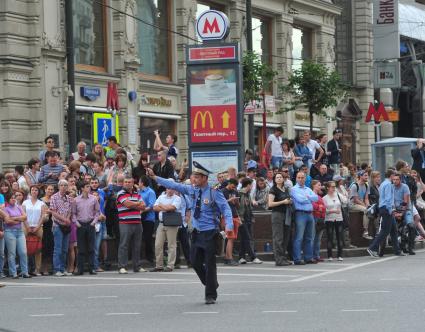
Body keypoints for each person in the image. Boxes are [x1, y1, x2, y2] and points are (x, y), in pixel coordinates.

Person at [146, 161, 233, 305]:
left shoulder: (214, 192)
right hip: (196, 233)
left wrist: (229, 226)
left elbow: (226, 209)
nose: (194, 179)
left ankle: (210, 294)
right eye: (194, 176)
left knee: (210, 264)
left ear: (204, 178)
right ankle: (210, 282)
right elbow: (174, 185)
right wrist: (155, 177)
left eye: (197, 177)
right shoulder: (192, 190)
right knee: (194, 261)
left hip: (210, 232)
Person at [367, 169, 403, 258]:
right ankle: (372, 248)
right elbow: (388, 199)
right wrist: (391, 210)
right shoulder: (388, 185)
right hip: (386, 209)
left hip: (384, 208)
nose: (395, 178)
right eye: (394, 175)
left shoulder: (383, 184)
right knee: (385, 231)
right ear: (391, 176)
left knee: (394, 230)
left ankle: (397, 250)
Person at [116, 176, 146, 274]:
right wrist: (137, 204)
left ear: (133, 183)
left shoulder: (137, 193)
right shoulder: (120, 193)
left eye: (129, 182)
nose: (127, 183)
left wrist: (133, 204)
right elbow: (128, 205)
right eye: (126, 182)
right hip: (125, 223)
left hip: (137, 222)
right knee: (124, 245)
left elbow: (144, 206)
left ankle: (137, 266)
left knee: (137, 245)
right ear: (123, 183)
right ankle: (122, 266)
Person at [151, 185, 181, 272]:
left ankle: (170, 265)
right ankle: (159, 265)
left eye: (172, 188)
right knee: (158, 245)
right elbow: (154, 207)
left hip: (172, 224)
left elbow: (172, 208)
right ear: (166, 189)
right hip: (161, 223)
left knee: (171, 245)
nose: (170, 190)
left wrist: (161, 205)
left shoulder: (177, 198)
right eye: (168, 188)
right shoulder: (161, 196)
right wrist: (166, 207)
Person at [72, 182, 100, 275]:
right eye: (87, 186)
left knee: (91, 247)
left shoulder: (94, 199)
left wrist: (93, 222)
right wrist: (76, 223)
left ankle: (92, 268)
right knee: (81, 248)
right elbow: (73, 213)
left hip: (90, 224)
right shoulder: (76, 200)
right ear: (82, 188)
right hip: (80, 224)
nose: (89, 188)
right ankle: (80, 269)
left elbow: (97, 212)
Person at [290, 171, 319, 265]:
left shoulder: (308, 188)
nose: (301, 179)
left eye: (302, 177)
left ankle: (308, 257)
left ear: (305, 178)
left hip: (310, 214)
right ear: (296, 178)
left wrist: (308, 197)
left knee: (309, 237)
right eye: (299, 177)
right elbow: (301, 200)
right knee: (299, 237)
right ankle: (297, 259)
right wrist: (309, 198)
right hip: (300, 214)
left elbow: (316, 198)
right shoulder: (293, 189)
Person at [49, 179, 73, 277]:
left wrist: (67, 219)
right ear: (58, 187)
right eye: (62, 185)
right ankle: (57, 269)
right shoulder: (54, 197)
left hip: (66, 226)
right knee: (57, 248)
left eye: (65, 185)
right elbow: (53, 211)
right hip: (57, 225)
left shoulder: (68, 198)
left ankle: (63, 269)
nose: (63, 187)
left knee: (65, 249)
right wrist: (64, 219)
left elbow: (69, 211)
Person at [3, 193, 31, 278]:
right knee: (12, 253)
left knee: (23, 252)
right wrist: (19, 218)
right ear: (7, 199)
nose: (13, 199)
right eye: (11, 198)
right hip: (9, 231)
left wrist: (14, 218)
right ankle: (13, 273)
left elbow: (25, 217)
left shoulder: (19, 207)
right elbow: (7, 221)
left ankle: (25, 272)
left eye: (14, 198)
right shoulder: (5, 209)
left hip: (20, 231)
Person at [268, 173, 292, 266]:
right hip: (277, 214)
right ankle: (279, 259)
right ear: (274, 180)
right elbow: (270, 204)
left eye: (280, 177)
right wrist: (283, 202)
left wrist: (289, 201)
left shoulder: (286, 189)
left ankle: (283, 258)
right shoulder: (273, 189)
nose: (279, 179)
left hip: (286, 214)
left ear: (283, 179)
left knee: (286, 237)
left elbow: (287, 200)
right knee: (278, 238)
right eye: (277, 177)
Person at [22, 185, 46, 276]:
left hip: (38, 227)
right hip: (26, 226)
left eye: (36, 190)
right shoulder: (25, 202)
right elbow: (23, 215)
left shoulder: (41, 203)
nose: (34, 191)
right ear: (30, 191)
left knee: (38, 249)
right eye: (32, 190)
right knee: (25, 248)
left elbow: (43, 216)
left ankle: (37, 269)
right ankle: (25, 269)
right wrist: (27, 226)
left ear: (38, 192)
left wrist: (37, 226)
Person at [237, 178, 262, 265]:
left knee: (244, 239)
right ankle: (253, 257)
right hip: (242, 219)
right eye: (251, 185)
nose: (252, 187)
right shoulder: (240, 194)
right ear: (248, 185)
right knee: (248, 238)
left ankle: (241, 257)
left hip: (248, 219)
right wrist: (239, 218)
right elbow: (238, 207)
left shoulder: (248, 194)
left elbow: (249, 207)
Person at [392, 173, 416, 255]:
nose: (395, 181)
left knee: (411, 226)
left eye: (397, 179)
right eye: (393, 179)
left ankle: (411, 248)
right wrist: (395, 212)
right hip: (395, 210)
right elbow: (391, 201)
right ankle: (398, 245)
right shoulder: (391, 187)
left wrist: (401, 213)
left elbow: (406, 201)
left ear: (400, 180)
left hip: (406, 210)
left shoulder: (405, 187)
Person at [323, 181, 344, 261]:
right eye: (332, 187)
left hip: (339, 218)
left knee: (339, 237)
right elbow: (325, 210)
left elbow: (345, 201)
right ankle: (330, 255)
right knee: (330, 237)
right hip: (329, 219)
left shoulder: (338, 195)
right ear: (328, 188)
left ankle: (340, 255)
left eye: (334, 187)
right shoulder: (324, 198)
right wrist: (333, 211)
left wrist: (343, 193)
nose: (334, 188)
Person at [221, 179, 240, 266]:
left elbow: (238, 206)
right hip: (227, 216)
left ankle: (227, 257)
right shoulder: (223, 191)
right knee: (230, 237)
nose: (233, 188)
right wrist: (229, 200)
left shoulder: (235, 191)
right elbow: (220, 204)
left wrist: (236, 201)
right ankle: (229, 258)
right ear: (229, 183)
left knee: (232, 238)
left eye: (235, 187)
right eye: (232, 186)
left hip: (235, 215)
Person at [138, 176, 156, 265]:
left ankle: (150, 257)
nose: (138, 183)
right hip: (140, 217)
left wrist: (142, 210)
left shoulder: (150, 192)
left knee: (148, 238)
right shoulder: (138, 192)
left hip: (148, 218)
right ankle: (141, 257)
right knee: (140, 238)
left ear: (142, 183)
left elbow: (152, 205)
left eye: (139, 181)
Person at [349, 170, 371, 240]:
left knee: (370, 209)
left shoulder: (367, 185)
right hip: (353, 204)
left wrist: (368, 205)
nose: (367, 177)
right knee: (365, 210)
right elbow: (355, 199)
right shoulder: (354, 185)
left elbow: (366, 198)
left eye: (367, 175)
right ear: (360, 176)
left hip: (361, 204)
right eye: (365, 175)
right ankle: (365, 231)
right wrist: (365, 206)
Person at [41, 184, 55, 275]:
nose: (50, 191)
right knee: (44, 246)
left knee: (52, 246)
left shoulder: (55, 199)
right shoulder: (41, 200)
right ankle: (43, 267)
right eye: (48, 189)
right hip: (44, 224)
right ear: (45, 190)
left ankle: (51, 267)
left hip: (53, 224)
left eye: (52, 189)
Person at [311, 180, 326, 263]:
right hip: (314, 217)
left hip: (320, 218)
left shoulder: (319, 196)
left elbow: (324, 207)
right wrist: (319, 207)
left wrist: (320, 207)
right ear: (314, 186)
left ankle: (316, 255)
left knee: (318, 239)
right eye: (319, 185)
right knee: (313, 238)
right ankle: (312, 255)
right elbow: (313, 205)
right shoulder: (311, 195)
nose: (320, 186)